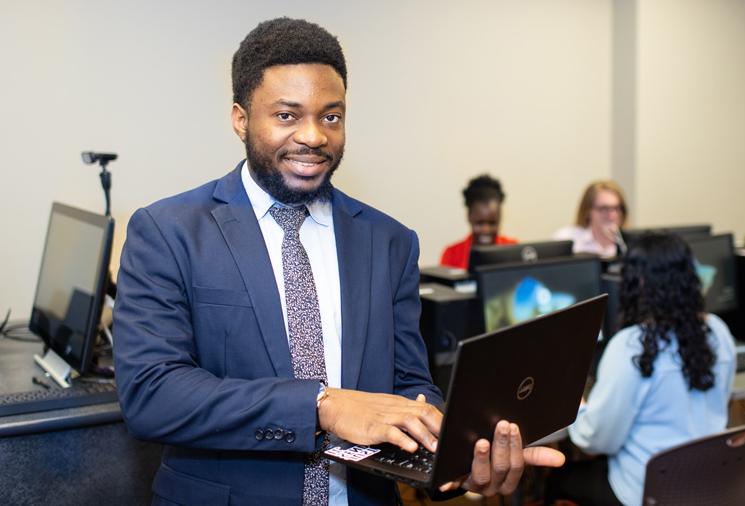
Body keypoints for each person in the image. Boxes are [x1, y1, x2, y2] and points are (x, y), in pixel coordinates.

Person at [112, 18, 562, 506]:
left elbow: (409, 384)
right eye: (287, 116)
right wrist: (321, 405)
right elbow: (151, 394)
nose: (314, 136)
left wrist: (450, 451)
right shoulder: (169, 231)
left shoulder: (390, 241)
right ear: (240, 118)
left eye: (331, 116)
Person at [557, 233, 736, 506]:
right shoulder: (718, 332)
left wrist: (576, 406)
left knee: (559, 477)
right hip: (708, 488)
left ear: (637, 282)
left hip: (645, 494)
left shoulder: (632, 347)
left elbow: (596, 441)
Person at [440, 174, 516, 269]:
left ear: (500, 218)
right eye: (479, 223)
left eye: (492, 223)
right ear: (469, 217)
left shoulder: (514, 249)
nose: (486, 229)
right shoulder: (452, 254)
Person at [553, 180, 628, 258]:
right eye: (604, 208)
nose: (612, 214)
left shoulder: (627, 244)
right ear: (588, 210)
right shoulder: (566, 238)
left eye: (616, 208)